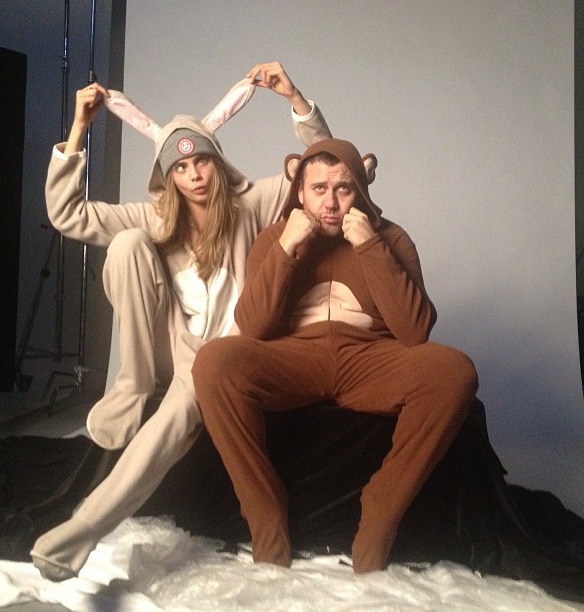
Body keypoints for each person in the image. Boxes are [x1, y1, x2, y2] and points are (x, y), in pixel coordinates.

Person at [30, 61, 332, 581]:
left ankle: (79, 534)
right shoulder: (154, 217)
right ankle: (134, 384)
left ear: (216, 161)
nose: (194, 175)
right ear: (168, 175)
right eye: (181, 167)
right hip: (168, 347)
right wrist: (78, 130)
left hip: (218, 358)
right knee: (127, 246)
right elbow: (68, 215)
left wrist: (295, 99)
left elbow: (325, 171)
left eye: (202, 162)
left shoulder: (251, 204)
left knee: (169, 423)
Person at [191, 137, 479, 573]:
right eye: (319, 189)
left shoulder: (391, 237)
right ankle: (265, 510)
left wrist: (370, 246)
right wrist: (285, 249)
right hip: (294, 357)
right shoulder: (274, 237)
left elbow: (415, 330)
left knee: (454, 370)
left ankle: (382, 507)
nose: (331, 203)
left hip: (370, 357)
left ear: (359, 189)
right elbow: (254, 327)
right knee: (214, 361)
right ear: (300, 191)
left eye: (343, 188)